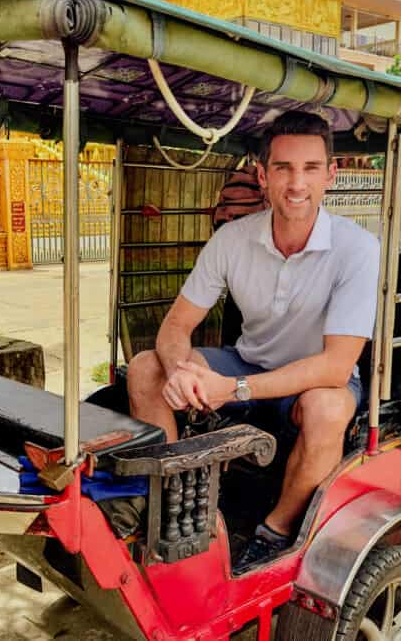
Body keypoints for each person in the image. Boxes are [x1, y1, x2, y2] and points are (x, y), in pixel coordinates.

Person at [126, 111, 380, 574]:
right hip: (247, 363)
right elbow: (175, 327)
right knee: (147, 367)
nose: (296, 183)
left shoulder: (357, 248)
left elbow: (335, 368)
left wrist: (233, 389)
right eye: (283, 168)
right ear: (263, 175)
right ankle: (172, 502)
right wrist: (183, 372)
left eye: (310, 168)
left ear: (331, 175)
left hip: (311, 382)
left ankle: (276, 532)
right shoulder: (232, 240)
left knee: (329, 408)